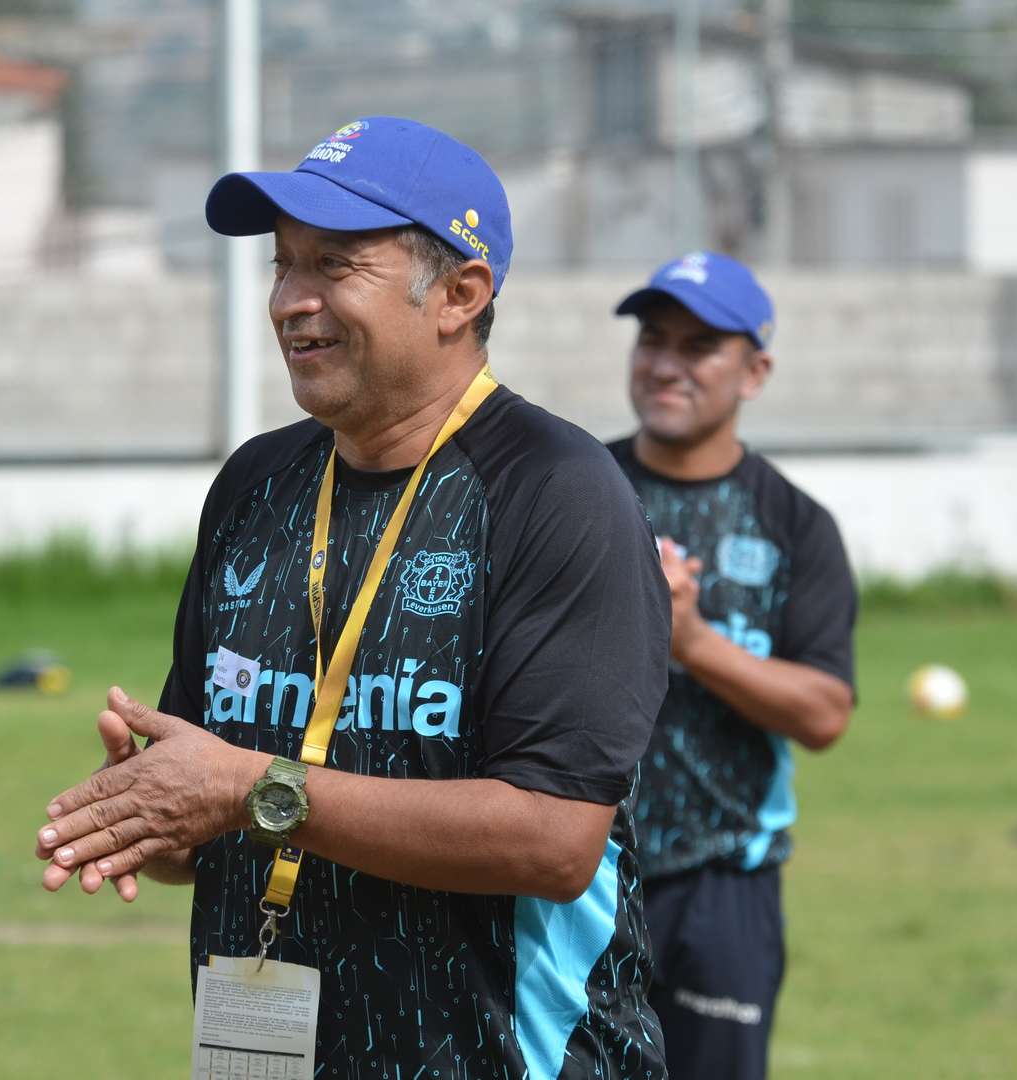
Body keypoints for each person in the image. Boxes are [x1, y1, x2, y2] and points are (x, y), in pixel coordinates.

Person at [33, 117, 672, 1078]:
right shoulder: (256, 485)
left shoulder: (556, 492)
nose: (291, 302)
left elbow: (553, 839)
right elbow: (216, 815)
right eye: (283, 266)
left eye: (333, 267)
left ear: (460, 294)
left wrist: (249, 789)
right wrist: (156, 809)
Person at [607, 252, 858, 1079]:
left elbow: (823, 713)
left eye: (698, 346)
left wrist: (694, 642)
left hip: (724, 881)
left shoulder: (795, 524)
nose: (666, 364)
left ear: (755, 371)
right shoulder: (576, 488)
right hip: (576, 867)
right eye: (653, 339)